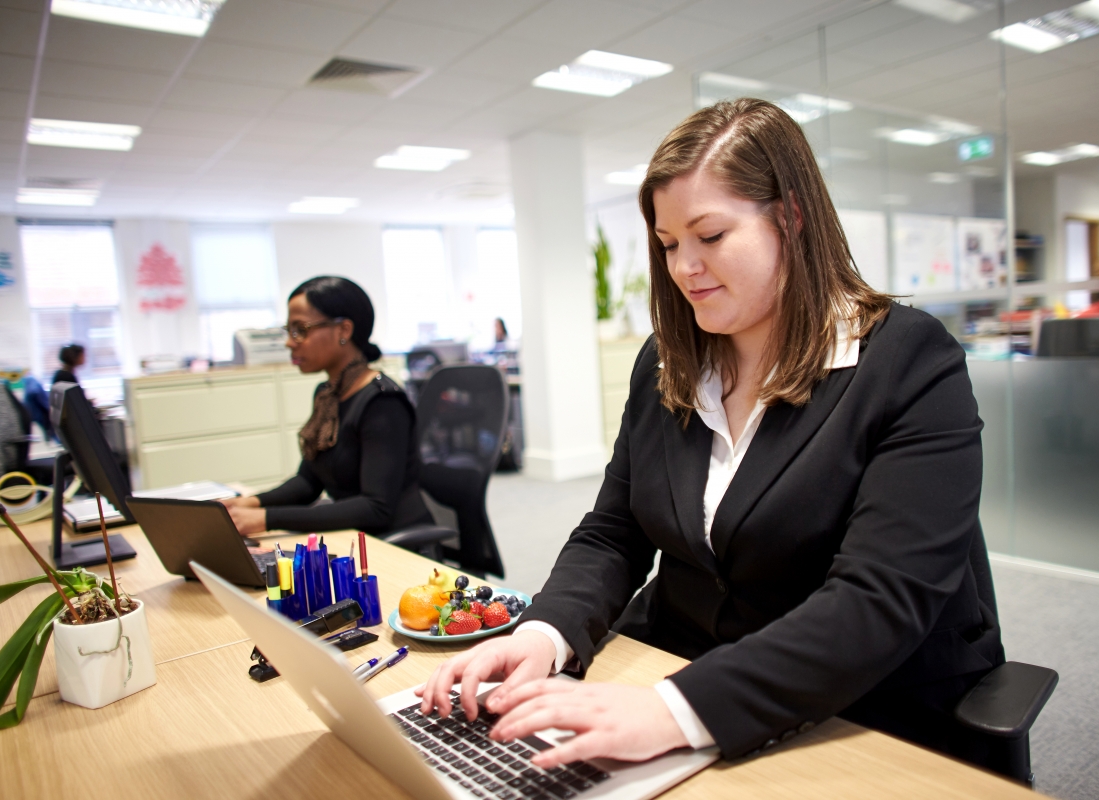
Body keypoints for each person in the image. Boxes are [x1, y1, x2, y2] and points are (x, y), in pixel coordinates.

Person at [418, 98, 1003, 770]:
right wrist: (547, 633)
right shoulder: (666, 361)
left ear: (791, 218)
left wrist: (674, 709)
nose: (683, 267)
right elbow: (616, 530)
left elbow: (879, 600)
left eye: (710, 236)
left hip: (856, 708)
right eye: (668, 244)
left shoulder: (907, 362)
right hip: (677, 670)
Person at [221, 276, 433, 535]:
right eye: (289, 330)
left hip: (396, 546)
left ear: (343, 330)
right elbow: (308, 482)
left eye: (300, 329)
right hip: (354, 537)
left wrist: (266, 519)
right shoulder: (328, 396)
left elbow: (376, 507)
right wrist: (247, 503)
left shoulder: (382, 402)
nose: (290, 342)